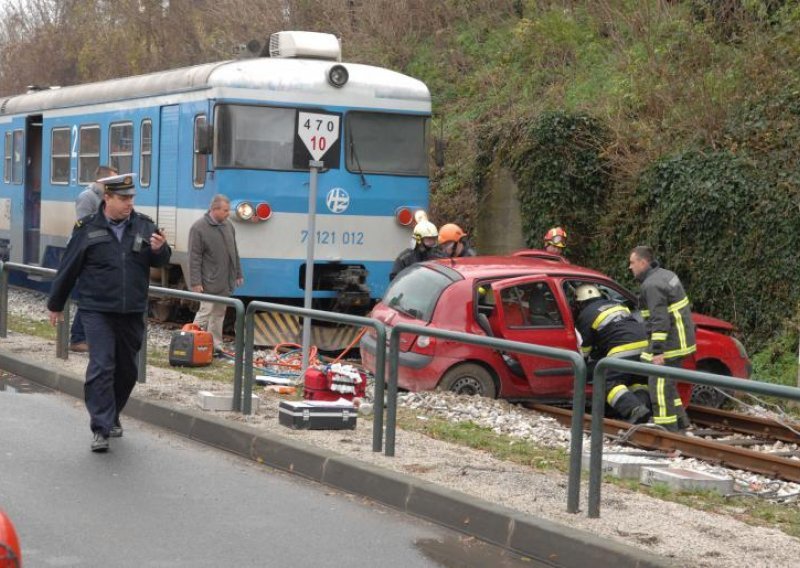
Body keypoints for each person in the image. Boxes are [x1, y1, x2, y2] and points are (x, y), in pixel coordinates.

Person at [47, 173, 171, 452]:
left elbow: (161, 260)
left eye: (132, 198)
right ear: (108, 198)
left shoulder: (144, 225)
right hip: (97, 309)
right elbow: (69, 268)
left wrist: (161, 251)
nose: (129, 203)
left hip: (132, 310)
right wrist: (56, 303)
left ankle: (113, 412)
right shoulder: (87, 228)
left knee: (127, 370)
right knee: (102, 365)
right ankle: (100, 427)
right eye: (123, 198)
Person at [629, 245, 696, 433]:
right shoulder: (666, 275)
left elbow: (659, 319)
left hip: (670, 344)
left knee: (658, 386)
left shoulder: (651, 285)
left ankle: (666, 431)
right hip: (681, 341)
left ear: (643, 262)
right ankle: (681, 422)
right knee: (668, 385)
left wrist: (657, 351)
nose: (630, 267)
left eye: (632, 262)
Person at [573, 284, 651, 423]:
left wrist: (582, 365)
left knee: (607, 382)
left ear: (580, 303)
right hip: (645, 345)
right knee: (636, 381)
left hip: (623, 347)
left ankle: (634, 410)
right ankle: (643, 410)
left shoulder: (586, 315)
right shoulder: (617, 305)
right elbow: (614, 328)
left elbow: (585, 347)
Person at [69, 164, 118, 352]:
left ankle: (86, 337)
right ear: (102, 181)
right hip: (86, 255)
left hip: (99, 253)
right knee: (88, 296)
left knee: (95, 296)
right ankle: (78, 338)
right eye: (113, 181)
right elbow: (85, 227)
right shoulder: (86, 197)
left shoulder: (102, 198)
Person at [188, 194, 243, 354]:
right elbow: (194, 258)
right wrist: (195, 282)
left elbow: (234, 252)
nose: (228, 213)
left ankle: (215, 346)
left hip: (224, 281)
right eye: (225, 210)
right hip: (208, 282)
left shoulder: (228, 226)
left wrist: (238, 273)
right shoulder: (198, 228)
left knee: (219, 314)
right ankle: (192, 342)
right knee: (205, 313)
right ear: (214, 209)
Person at [389, 212, 439, 281]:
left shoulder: (440, 257)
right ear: (419, 239)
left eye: (433, 239)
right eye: (428, 239)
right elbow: (394, 280)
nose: (432, 242)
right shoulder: (405, 258)